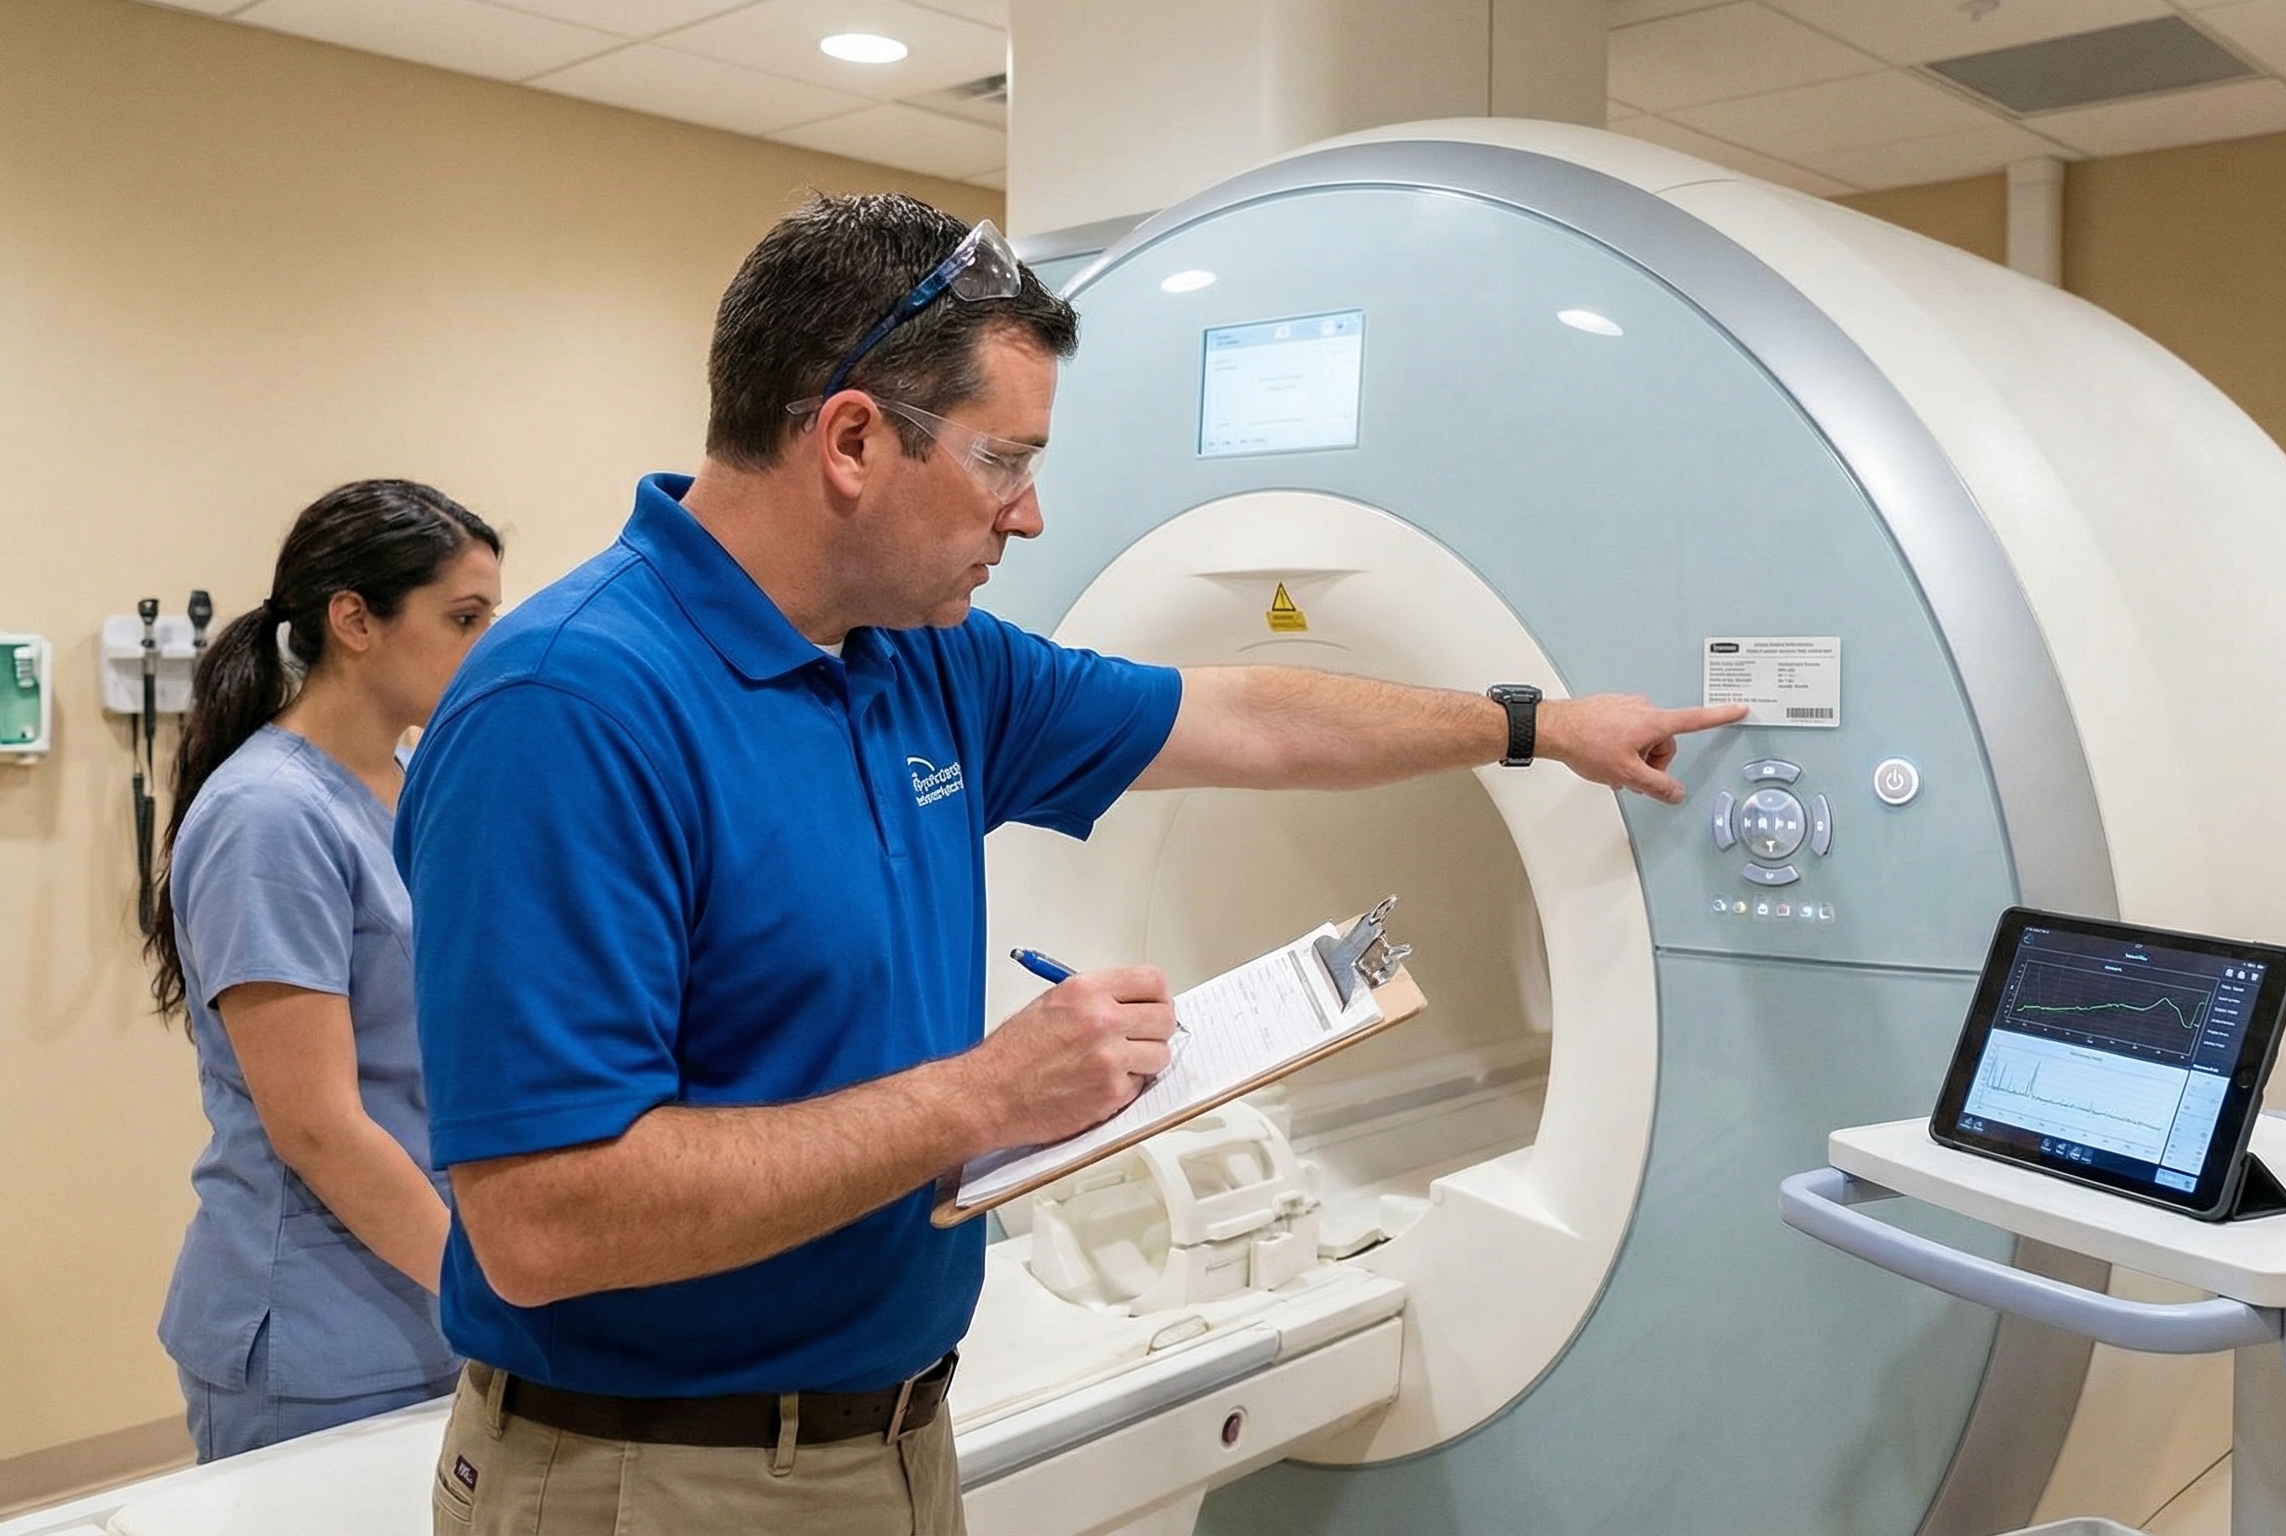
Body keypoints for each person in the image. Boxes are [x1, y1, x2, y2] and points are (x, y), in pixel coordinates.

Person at [397, 193, 1739, 1536]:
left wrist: (1534, 726)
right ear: (854, 439)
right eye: (1002, 462)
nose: (1029, 516)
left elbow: (1243, 716)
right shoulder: (570, 710)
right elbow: (543, 1224)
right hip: (653, 1478)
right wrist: (983, 1096)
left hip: (894, 1442)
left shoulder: (920, 659)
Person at [149, 479, 504, 1462]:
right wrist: (494, 1301)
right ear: (355, 620)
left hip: (432, 1287)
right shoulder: (268, 813)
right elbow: (317, 1125)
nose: (487, 649)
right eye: (462, 619)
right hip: (317, 1334)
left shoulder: (414, 780)